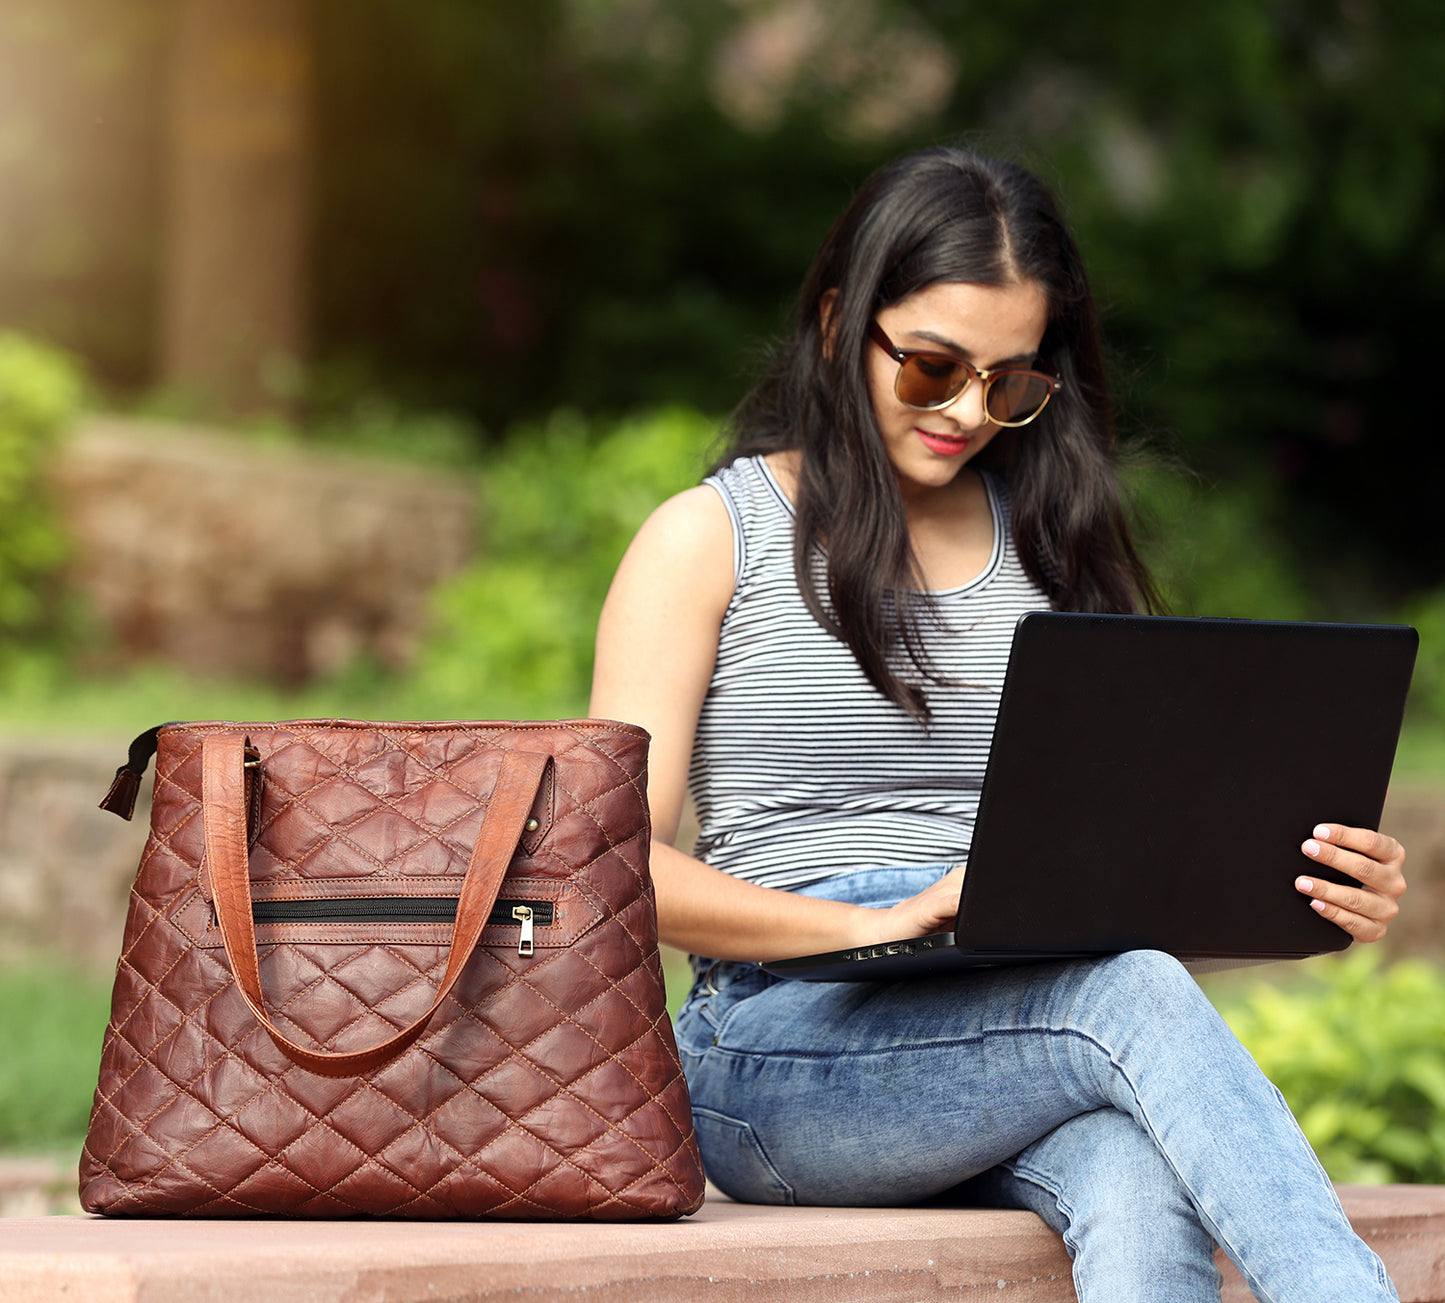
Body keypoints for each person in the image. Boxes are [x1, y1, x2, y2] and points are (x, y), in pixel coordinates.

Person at [588, 146, 1407, 1302]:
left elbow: (1126, 866)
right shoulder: (706, 538)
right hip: (774, 1048)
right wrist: (872, 918)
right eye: (930, 368)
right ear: (836, 326)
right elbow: (607, 867)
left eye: (1011, 382)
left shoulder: (1052, 548)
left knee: (1129, 1171)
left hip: (1015, 1012)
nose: (969, 412)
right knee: (1128, 992)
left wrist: (1308, 886)